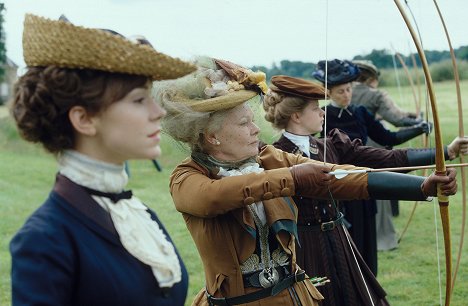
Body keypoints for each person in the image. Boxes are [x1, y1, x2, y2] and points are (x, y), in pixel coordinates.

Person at [154, 56, 457, 306]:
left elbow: (337, 177)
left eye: (253, 121)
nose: (256, 130)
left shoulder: (267, 157)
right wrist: (292, 178)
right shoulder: (187, 176)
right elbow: (214, 196)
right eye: (245, 123)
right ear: (212, 136)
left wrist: (421, 187)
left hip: (294, 297)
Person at [9, 14, 196, 306]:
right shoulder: (45, 240)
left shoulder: (138, 214)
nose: (157, 112)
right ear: (84, 119)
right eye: (138, 100)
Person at [262, 75, 468, 306]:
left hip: (340, 240)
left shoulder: (331, 146)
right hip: (302, 247)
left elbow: (388, 158)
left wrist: (445, 153)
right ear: (296, 115)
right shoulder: (273, 156)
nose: (322, 113)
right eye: (315, 108)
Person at [312, 59, 432, 275]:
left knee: (368, 240)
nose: (347, 95)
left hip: (367, 181)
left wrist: (418, 128)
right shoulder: (324, 116)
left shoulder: (360, 112)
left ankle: (369, 285)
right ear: (329, 93)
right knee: (348, 242)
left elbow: (388, 137)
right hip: (341, 185)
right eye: (341, 91)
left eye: (349, 89)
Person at [351, 59, 421, 251]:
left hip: (346, 149)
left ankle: (356, 240)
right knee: (378, 193)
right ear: (371, 78)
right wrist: (419, 123)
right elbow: (396, 118)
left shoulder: (343, 92)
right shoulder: (375, 94)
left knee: (350, 191)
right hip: (373, 147)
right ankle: (382, 240)